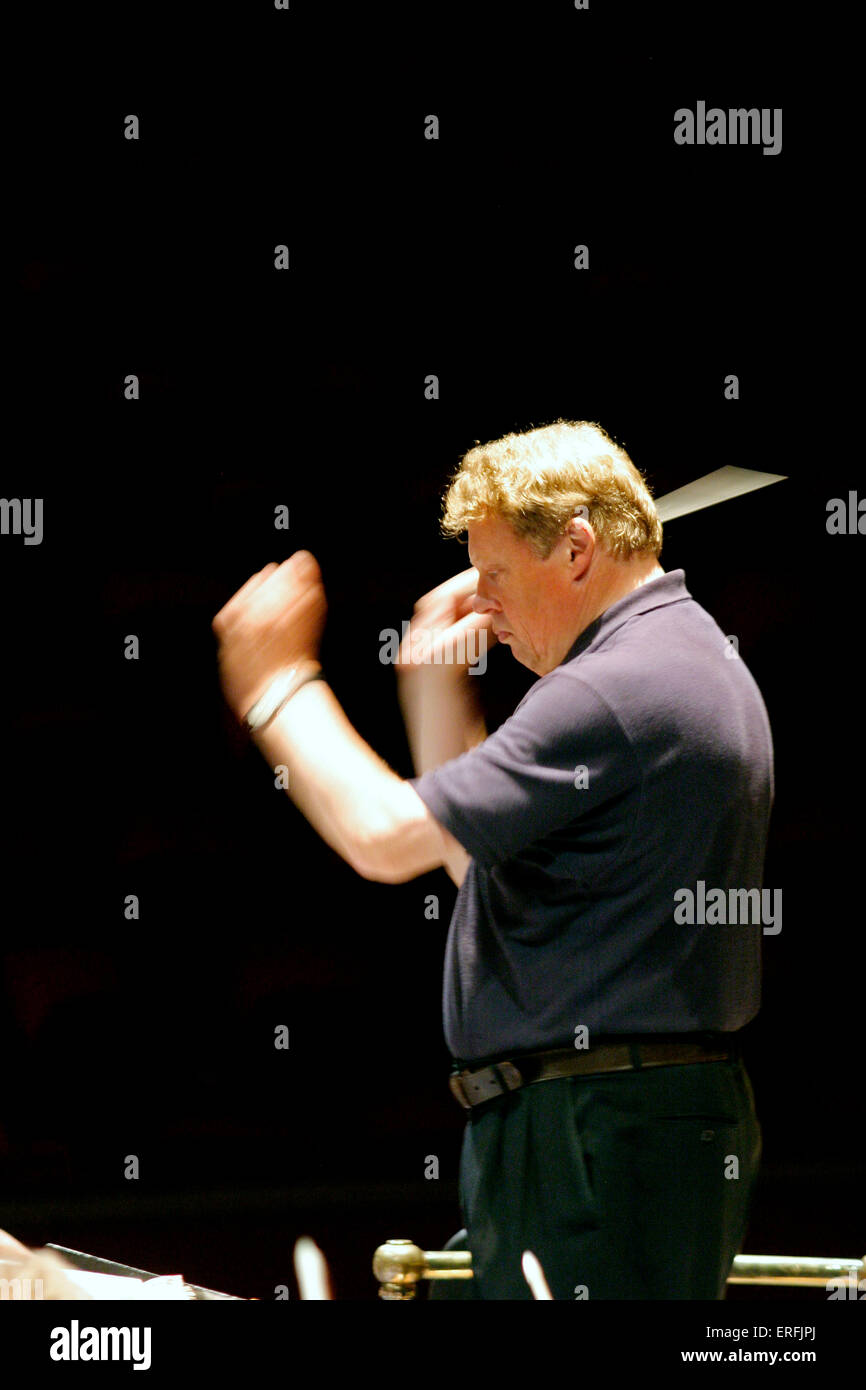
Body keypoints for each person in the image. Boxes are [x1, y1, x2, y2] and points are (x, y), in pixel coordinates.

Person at [212, 419, 771, 1300]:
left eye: (498, 577)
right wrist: (433, 682)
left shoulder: (612, 688)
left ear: (578, 549)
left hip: (596, 1135)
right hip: (610, 1126)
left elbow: (386, 837)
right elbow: (482, 871)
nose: (487, 606)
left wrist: (279, 686)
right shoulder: (676, 657)